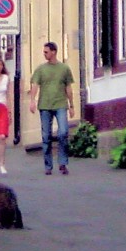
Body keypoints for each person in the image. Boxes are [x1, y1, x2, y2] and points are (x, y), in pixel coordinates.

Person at [28, 41, 74, 175]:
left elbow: (68, 88)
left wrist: (71, 106)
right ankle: (48, 165)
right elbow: (35, 85)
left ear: (54, 52)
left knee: (63, 132)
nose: (44, 54)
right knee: (46, 135)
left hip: (60, 104)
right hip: (45, 105)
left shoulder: (64, 69)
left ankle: (63, 162)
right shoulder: (41, 69)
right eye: (44, 52)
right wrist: (32, 101)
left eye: (46, 52)